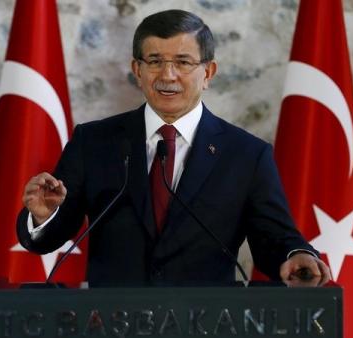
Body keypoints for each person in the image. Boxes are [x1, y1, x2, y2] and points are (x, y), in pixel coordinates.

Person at [17, 9, 331, 287]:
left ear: (208, 73)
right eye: (154, 62)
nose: (167, 75)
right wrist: (44, 217)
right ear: (137, 70)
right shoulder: (94, 142)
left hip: (206, 324)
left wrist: (297, 253)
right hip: (111, 321)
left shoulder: (247, 155)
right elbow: (52, 237)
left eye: (182, 62)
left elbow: (272, 236)